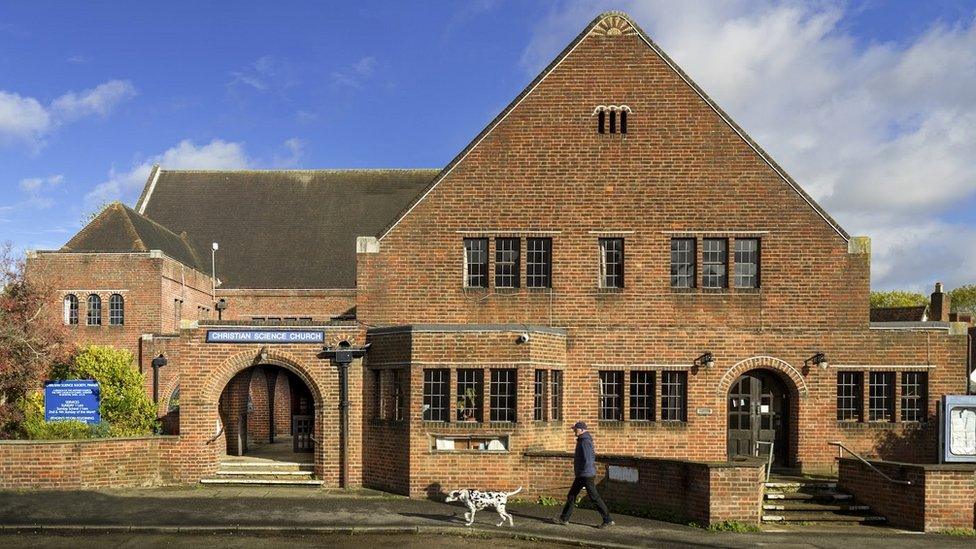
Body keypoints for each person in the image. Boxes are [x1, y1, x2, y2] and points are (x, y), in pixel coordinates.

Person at [552, 421, 614, 528]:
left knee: (594, 497)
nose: (574, 431)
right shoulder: (582, 440)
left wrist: (585, 475)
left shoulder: (585, 441)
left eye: (575, 429)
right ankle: (564, 519)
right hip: (582, 474)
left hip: (585, 475)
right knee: (572, 495)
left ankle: (608, 520)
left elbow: (589, 459)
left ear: (581, 430)